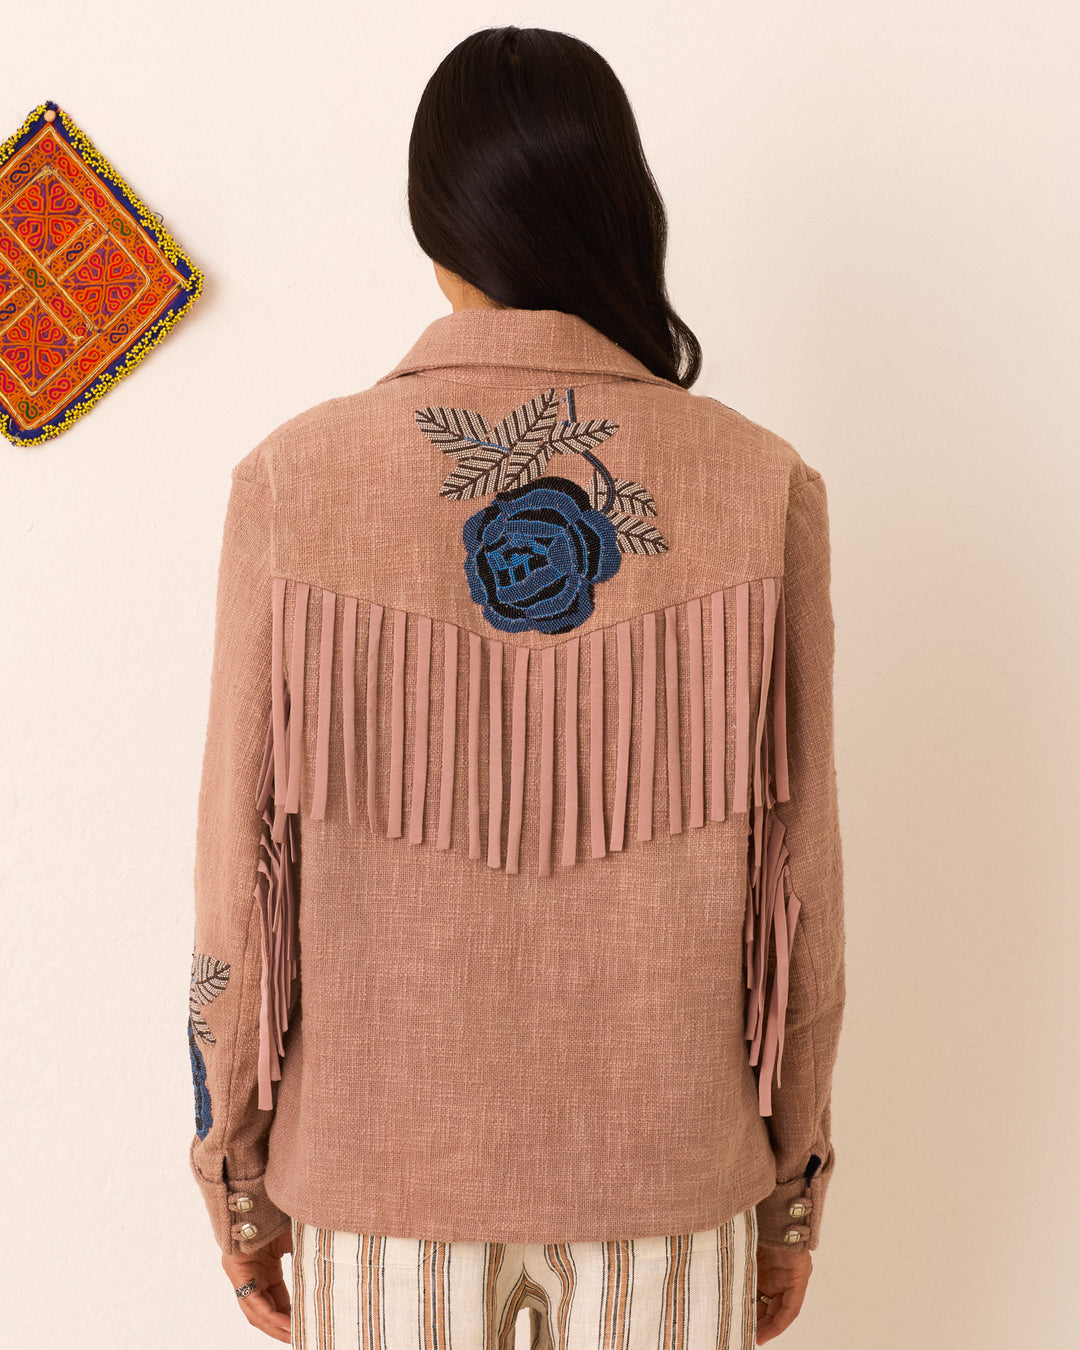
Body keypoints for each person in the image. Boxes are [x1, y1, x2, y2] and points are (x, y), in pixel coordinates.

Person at [187, 25, 845, 1350]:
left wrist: (235, 1175)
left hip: (377, 1186)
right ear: (621, 206)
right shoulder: (760, 484)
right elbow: (802, 887)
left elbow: (236, 884)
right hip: (673, 1183)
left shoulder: (294, 482)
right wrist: (791, 1189)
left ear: (433, 221)